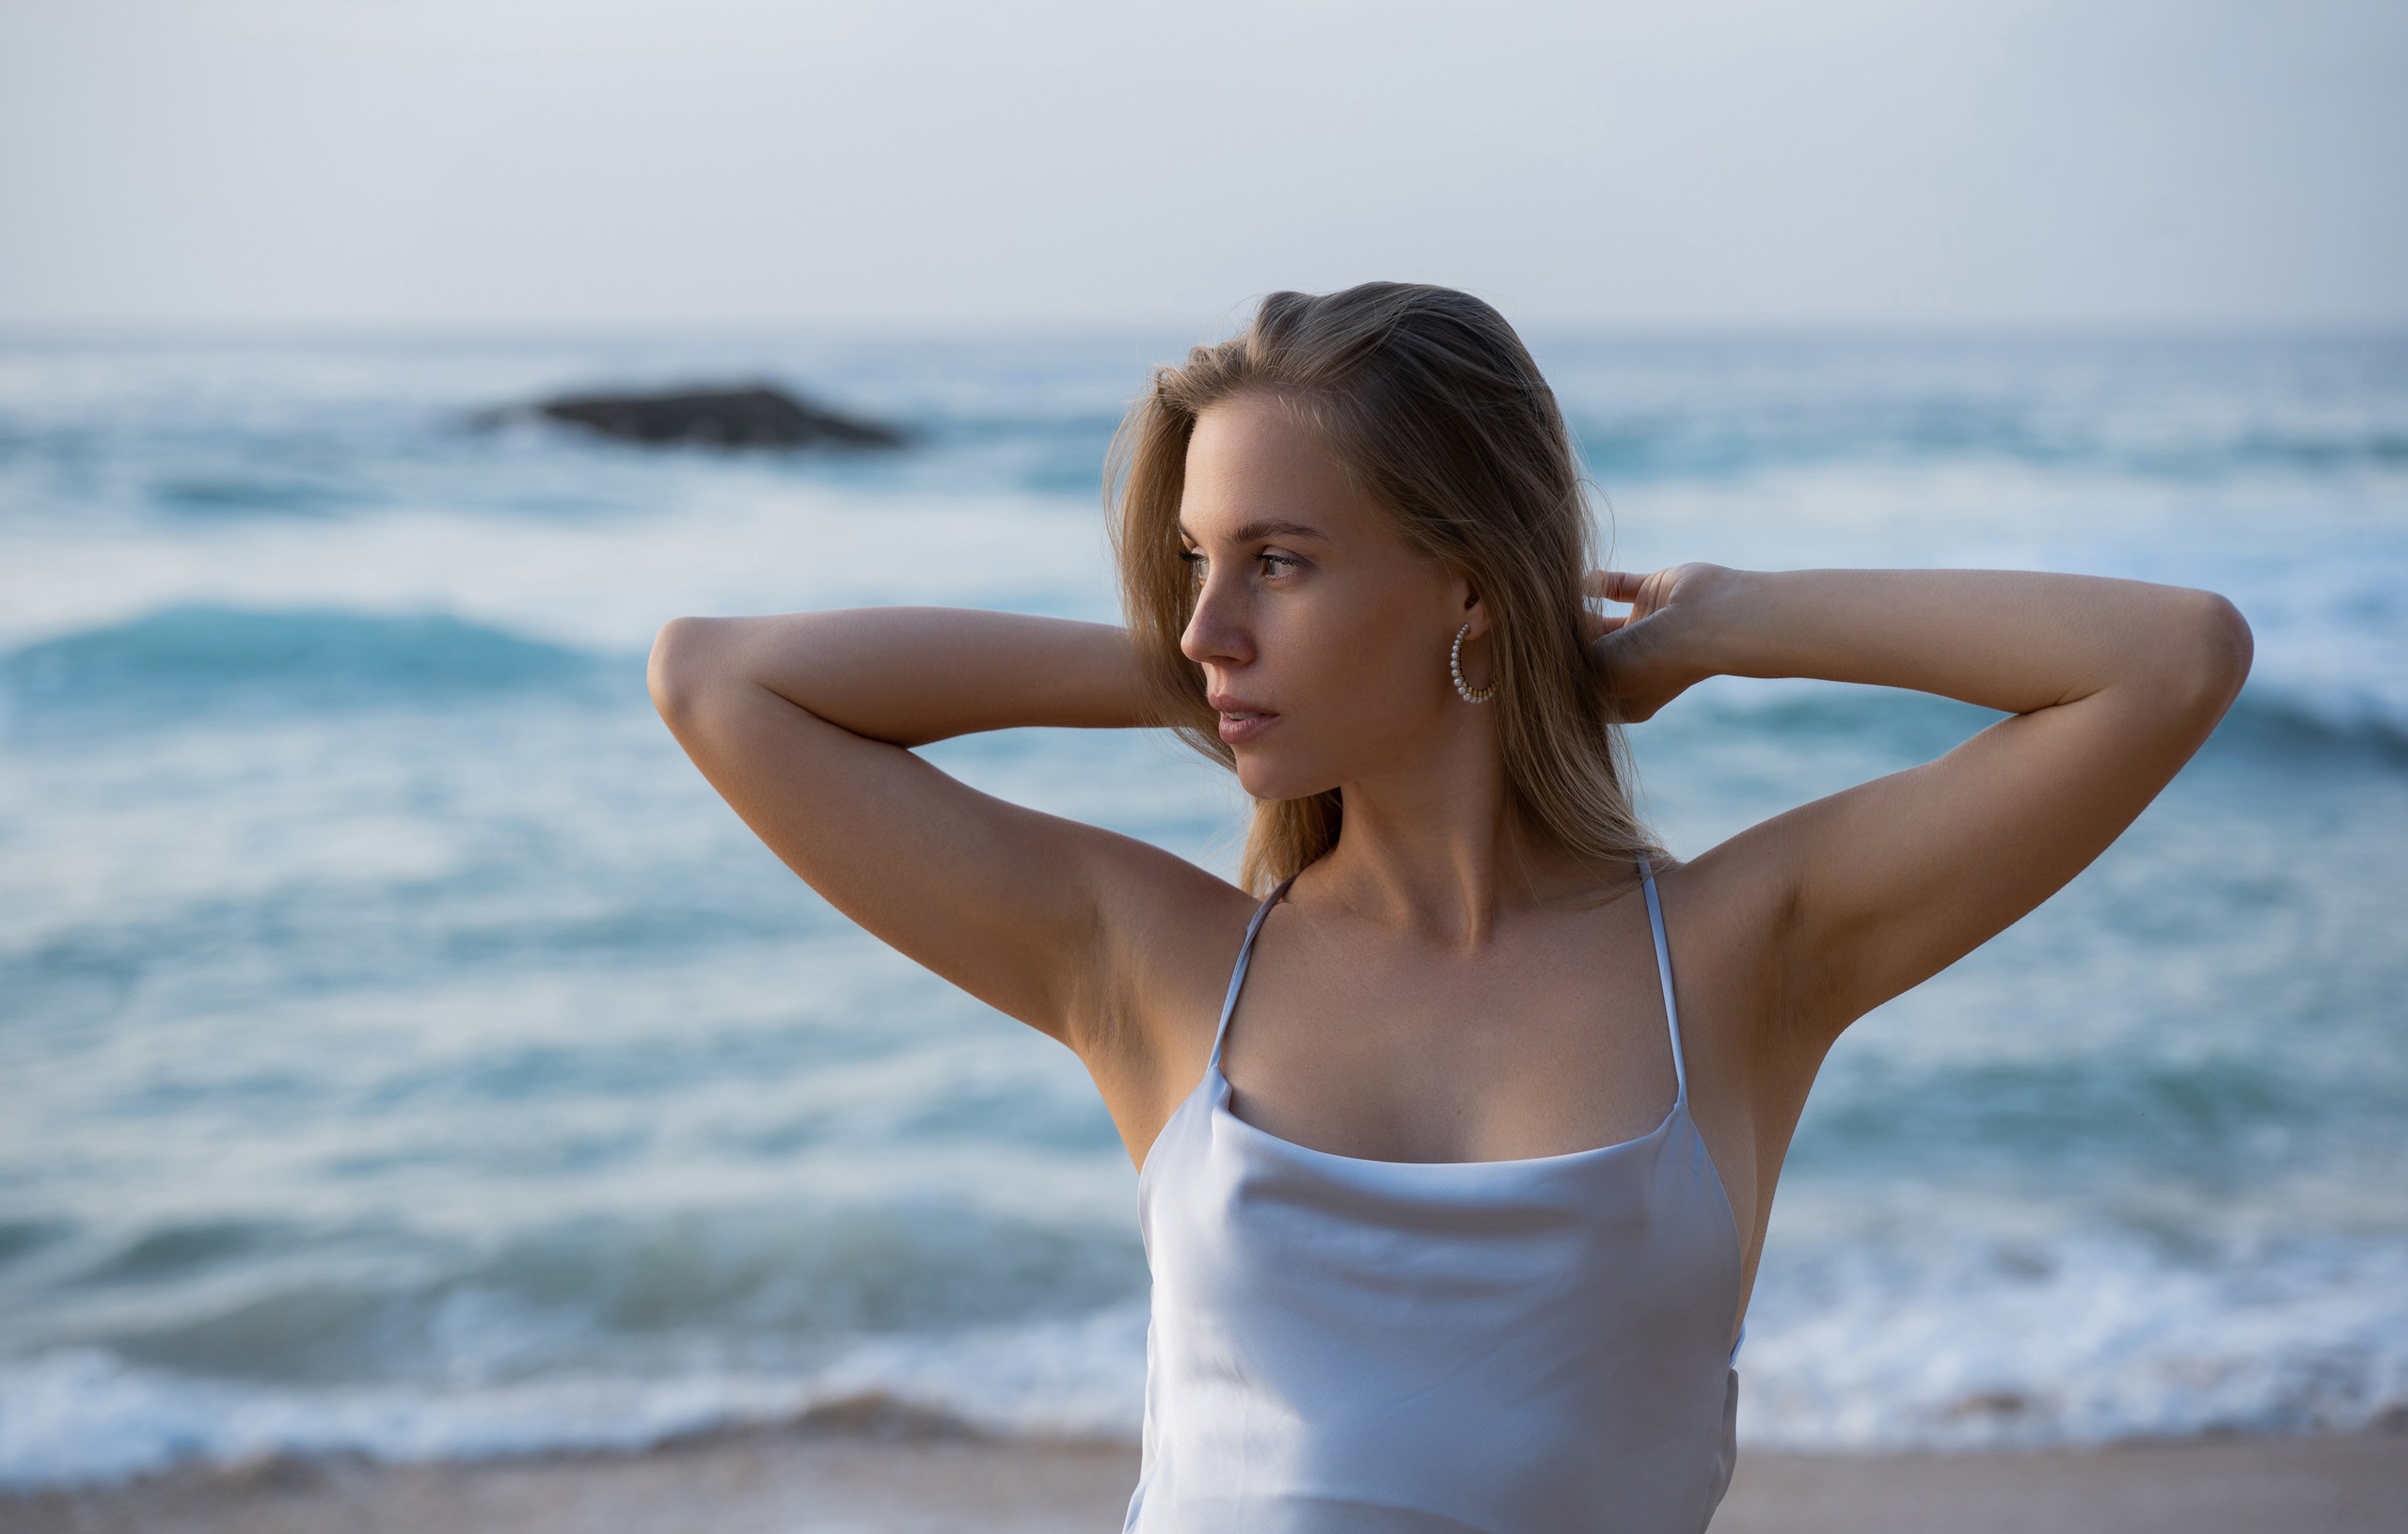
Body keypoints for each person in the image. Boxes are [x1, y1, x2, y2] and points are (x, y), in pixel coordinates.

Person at [646, 284, 2251, 1533]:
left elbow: (2170, 658)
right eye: (1196, 563)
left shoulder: (1733, 958)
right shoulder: (1160, 964)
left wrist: (1719, 626)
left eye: (1278, 562)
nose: (1208, 620)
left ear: (1470, 580)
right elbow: (719, 681)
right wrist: (1201, 681)